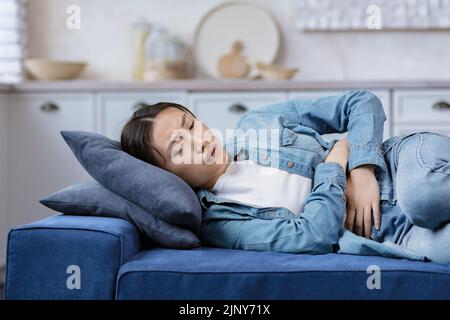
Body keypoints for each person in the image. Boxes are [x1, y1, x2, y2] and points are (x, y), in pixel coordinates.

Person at [120, 90, 450, 265]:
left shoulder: (258, 123)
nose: (198, 140)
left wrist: (362, 170)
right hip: (394, 236)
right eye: (178, 147)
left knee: (424, 197)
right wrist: (334, 161)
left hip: (403, 164)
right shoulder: (220, 222)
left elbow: (361, 102)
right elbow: (311, 237)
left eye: (191, 125)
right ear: (163, 173)